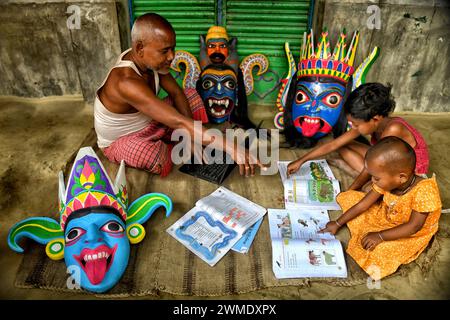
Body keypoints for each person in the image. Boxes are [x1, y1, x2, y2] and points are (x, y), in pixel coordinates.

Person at [94, 13, 262, 177]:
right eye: (165, 51)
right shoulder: (125, 81)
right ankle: (179, 140)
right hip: (123, 139)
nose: (172, 56)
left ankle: (187, 137)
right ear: (139, 48)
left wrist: (192, 137)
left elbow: (177, 93)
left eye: (173, 48)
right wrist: (232, 147)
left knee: (191, 95)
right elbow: (178, 121)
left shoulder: (150, 61)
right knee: (157, 158)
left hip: (150, 121)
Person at [319, 136, 441, 280]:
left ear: (401, 177)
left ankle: (378, 240)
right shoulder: (388, 181)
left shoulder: (425, 190)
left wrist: (380, 236)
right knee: (349, 198)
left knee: (380, 251)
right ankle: (372, 233)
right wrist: (338, 223)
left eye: (376, 178)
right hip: (386, 215)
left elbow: (413, 227)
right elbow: (363, 204)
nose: (372, 181)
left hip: (408, 231)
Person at [286, 83, 430, 191]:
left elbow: (373, 166)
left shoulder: (393, 129)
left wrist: (351, 191)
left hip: (406, 174)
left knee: (370, 190)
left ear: (375, 119)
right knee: (342, 144)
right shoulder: (372, 122)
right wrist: (301, 161)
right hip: (386, 161)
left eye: (355, 124)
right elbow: (333, 145)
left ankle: (355, 174)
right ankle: (358, 175)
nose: (353, 127)